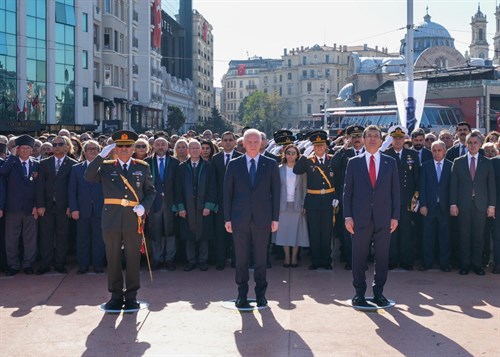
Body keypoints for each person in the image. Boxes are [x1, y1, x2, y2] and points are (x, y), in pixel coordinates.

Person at [85, 130, 156, 311]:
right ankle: (115, 295)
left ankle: (131, 295)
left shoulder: (142, 167)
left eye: (127, 146)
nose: (124, 149)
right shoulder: (107, 166)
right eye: (120, 146)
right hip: (112, 219)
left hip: (133, 218)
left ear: (134, 148)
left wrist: (144, 207)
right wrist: (101, 156)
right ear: (115, 148)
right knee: (113, 257)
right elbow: (88, 176)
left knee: (133, 257)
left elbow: (151, 192)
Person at [344, 125, 400, 308]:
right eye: (369, 136)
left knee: (382, 257)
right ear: (364, 139)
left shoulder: (390, 162)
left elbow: (395, 192)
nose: (373, 139)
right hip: (360, 218)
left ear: (382, 140)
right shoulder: (354, 162)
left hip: (384, 218)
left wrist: (395, 216)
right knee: (358, 257)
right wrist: (347, 216)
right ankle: (359, 293)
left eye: (376, 136)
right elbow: (347, 192)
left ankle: (379, 293)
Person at [224, 128, 280, 308]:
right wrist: (227, 218)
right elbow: (227, 193)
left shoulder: (270, 164)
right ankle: (241, 294)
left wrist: (275, 218)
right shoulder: (234, 164)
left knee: (261, 258)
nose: (254, 145)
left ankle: (261, 294)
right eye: (250, 142)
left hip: (263, 218)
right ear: (243, 144)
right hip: (239, 218)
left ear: (262, 143)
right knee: (241, 259)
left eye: (257, 142)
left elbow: (276, 193)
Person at [450, 132, 496, 276]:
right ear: (466, 144)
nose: (473, 145)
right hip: (463, 204)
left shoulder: (487, 162)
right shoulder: (458, 161)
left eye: (476, 142)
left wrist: (491, 206)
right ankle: (465, 265)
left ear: (480, 144)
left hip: (481, 205)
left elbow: (491, 186)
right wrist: (453, 204)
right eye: (470, 143)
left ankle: (477, 265)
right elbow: (453, 185)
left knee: (478, 237)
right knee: (464, 236)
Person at [293, 130, 338, 270]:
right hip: (313, 200)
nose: (319, 148)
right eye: (316, 145)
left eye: (321, 145)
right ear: (313, 146)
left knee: (326, 231)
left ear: (326, 146)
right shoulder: (308, 161)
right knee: (314, 231)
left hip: (328, 200)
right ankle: (316, 260)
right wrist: (304, 155)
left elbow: (338, 179)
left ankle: (326, 260)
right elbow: (296, 170)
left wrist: (336, 198)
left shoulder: (333, 159)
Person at [35, 136, 78, 274]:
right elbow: (39, 186)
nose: (57, 146)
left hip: (64, 207)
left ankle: (60, 263)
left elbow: (73, 188)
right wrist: (40, 205)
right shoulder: (43, 163)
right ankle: (45, 264)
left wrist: (71, 206)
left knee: (62, 236)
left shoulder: (73, 164)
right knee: (45, 236)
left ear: (67, 147)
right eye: (55, 144)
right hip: (46, 206)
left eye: (60, 144)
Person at [174, 140, 217, 272]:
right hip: (187, 207)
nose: (194, 150)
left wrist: (208, 206)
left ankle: (203, 261)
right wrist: (180, 208)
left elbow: (212, 187)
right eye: (191, 148)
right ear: (188, 151)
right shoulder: (181, 167)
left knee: (204, 235)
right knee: (189, 235)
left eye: (196, 148)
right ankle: (191, 260)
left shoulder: (208, 166)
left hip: (203, 206)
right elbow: (178, 189)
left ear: (200, 150)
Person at [0, 135, 40, 276]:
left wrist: (37, 205)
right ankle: (13, 265)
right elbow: (2, 172)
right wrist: (11, 156)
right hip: (13, 207)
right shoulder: (11, 162)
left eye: (27, 148)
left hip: (30, 207)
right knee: (11, 238)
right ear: (17, 149)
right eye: (22, 148)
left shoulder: (36, 164)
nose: (24, 151)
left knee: (30, 239)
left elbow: (39, 188)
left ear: (32, 150)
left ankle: (28, 263)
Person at [384, 125, 420, 270]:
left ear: (405, 138)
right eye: (395, 138)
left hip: (407, 199)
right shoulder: (385, 154)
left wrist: (416, 196)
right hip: (390, 199)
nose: (398, 141)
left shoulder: (412, 154)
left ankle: (406, 261)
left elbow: (416, 176)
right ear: (391, 139)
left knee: (406, 231)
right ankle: (392, 260)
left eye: (400, 138)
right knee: (391, 231)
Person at [68, 140, 105, 274]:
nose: (93, 151)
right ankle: (83, 265)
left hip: (100, 209)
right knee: (82, 239)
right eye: (89, 149)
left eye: (95, 149)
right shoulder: (76, 168)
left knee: (99, 239)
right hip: (82, 210)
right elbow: (72, 191)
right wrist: (74, 209)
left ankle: (98, 264)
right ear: (84, 152)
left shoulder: (105, 167)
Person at [332, 125, 365, 270]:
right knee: (347, 230)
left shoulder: (369, 153)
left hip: (365, 198)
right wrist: (343, 148)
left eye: (359, 136)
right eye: (354, 137)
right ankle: (350, 260)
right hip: (348, 196)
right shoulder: (344, 153)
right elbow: (333, 164)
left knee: (364, 231)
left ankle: (362, 260)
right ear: (348, 138)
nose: (356, 139)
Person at [145, 137, 179, 271]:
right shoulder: (147, 163)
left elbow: (179, 185)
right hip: (154, 203)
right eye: (157, 144)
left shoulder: (175, 163)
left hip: (171, 202)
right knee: (155, 231)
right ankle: (157, 258)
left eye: (163, 144)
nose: (160, 147)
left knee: (170, 231)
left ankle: (169, 258)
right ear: (153, 146)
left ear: (168, 146)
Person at [418, 140, 452, 271]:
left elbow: (452, 187)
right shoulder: (425, 166)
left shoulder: (450, 166)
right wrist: (423, 204)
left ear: (444, 151)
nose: (437, 153)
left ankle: (444, 263)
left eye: (439, 150)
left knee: (445, 236)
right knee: (428, 236)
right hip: (429, 207)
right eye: (434, 150)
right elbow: (422, 186)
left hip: (444, 206)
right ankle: (427, 262)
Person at [211, 131, 242, 270]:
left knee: (237, 233)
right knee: (220, 232)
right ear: (221, 142)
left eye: (230, 140)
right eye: (225, 140)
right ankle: (221, 260)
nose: (228, 142)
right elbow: (211, 183)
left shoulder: (241, 158)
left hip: (237, 203)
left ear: (235, 142)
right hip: (220, 202)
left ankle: (236, 260)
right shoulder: (215, 159)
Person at [275, 142, 309, 267]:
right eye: (288, 153)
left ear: (297, 155)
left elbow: (305, 188)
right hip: (283, 205)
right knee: (284, 232)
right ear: (285, 154)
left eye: (293, 153)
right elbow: (275, 189)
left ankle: (294, 257)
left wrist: (304, 204)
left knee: (296, 233)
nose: (290, 155)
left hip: (297, 204)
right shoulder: (279, 169)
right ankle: (287, 257)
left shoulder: (301, 170)